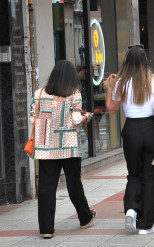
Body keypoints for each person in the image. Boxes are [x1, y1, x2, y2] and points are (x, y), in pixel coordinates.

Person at [105, 45, 154, 235]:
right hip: (151, 130)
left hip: (131, 131)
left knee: (134, 174)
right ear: (145, 61)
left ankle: (131, 209)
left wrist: (110, 88)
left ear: (126, 62)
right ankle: (146, 226)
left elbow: (111, 108)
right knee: (151, 178)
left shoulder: (121, 82)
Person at [31, 60, 96, 239]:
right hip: (68, 145)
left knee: (46, 186)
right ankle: (85, 218)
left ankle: (46, 229)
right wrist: (87, 117)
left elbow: (32, 117)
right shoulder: (74, 94)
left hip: (46, 145)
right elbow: (76, 119)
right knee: (74, 183)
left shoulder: (39, 93)